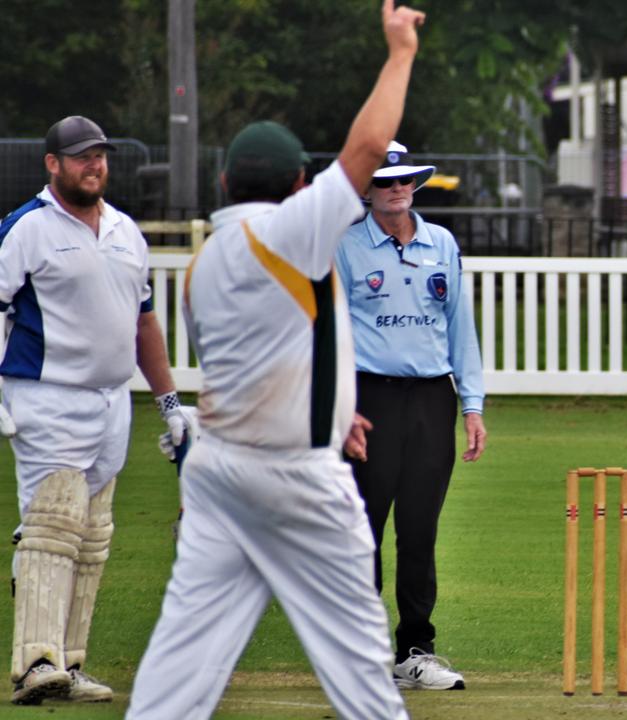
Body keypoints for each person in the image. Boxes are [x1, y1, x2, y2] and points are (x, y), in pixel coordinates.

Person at [125, 3, 424, 718]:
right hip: (293, 477)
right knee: (361, 674)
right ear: (297, 186)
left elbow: (284, 345)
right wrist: (399, 52)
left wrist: (335, 410)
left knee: (179, 670)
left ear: (224, 186)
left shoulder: (206, 263)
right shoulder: (290, 231)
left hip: (219, 471)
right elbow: (370, 145)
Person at [0, 115, 192, 705]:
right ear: (52, 164)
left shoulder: (125, 231)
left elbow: (143, 322)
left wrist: (170, 403)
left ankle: (70, 662)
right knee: (54, 523)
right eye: (81, 156)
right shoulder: (25, 228)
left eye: (100, 155)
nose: (94, 165)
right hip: (47, 393)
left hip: (112, 401)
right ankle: (35, 662)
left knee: (91, 535)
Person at [335, 140, 486, 690]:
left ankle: (416, 650)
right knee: (363, 529)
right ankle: (360, 652)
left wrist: (471, 405)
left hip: (431, 398)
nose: (395, 189)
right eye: (384, 181)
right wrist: (341, 406)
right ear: (367, 190)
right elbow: (331, 334)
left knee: (419, 530)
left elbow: (460, 328)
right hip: (368, 401)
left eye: (403, 180)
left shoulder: (440, 243)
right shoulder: (346, 246)